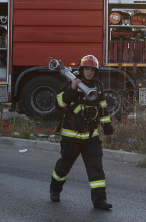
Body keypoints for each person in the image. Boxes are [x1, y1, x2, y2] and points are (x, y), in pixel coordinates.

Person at [49, 55, 115, 209]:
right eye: (87, 69)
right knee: (63, 167)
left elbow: (103, 110)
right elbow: (59, 104)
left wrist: (108, 131)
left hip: (91, 137)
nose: (89, 72)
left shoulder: (97, 87)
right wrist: (72, 89)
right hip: (71, 137)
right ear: (81, 70)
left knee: (96, 169)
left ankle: (100, 200)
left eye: (92, 69)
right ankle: (55, 190)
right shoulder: (70, 83)